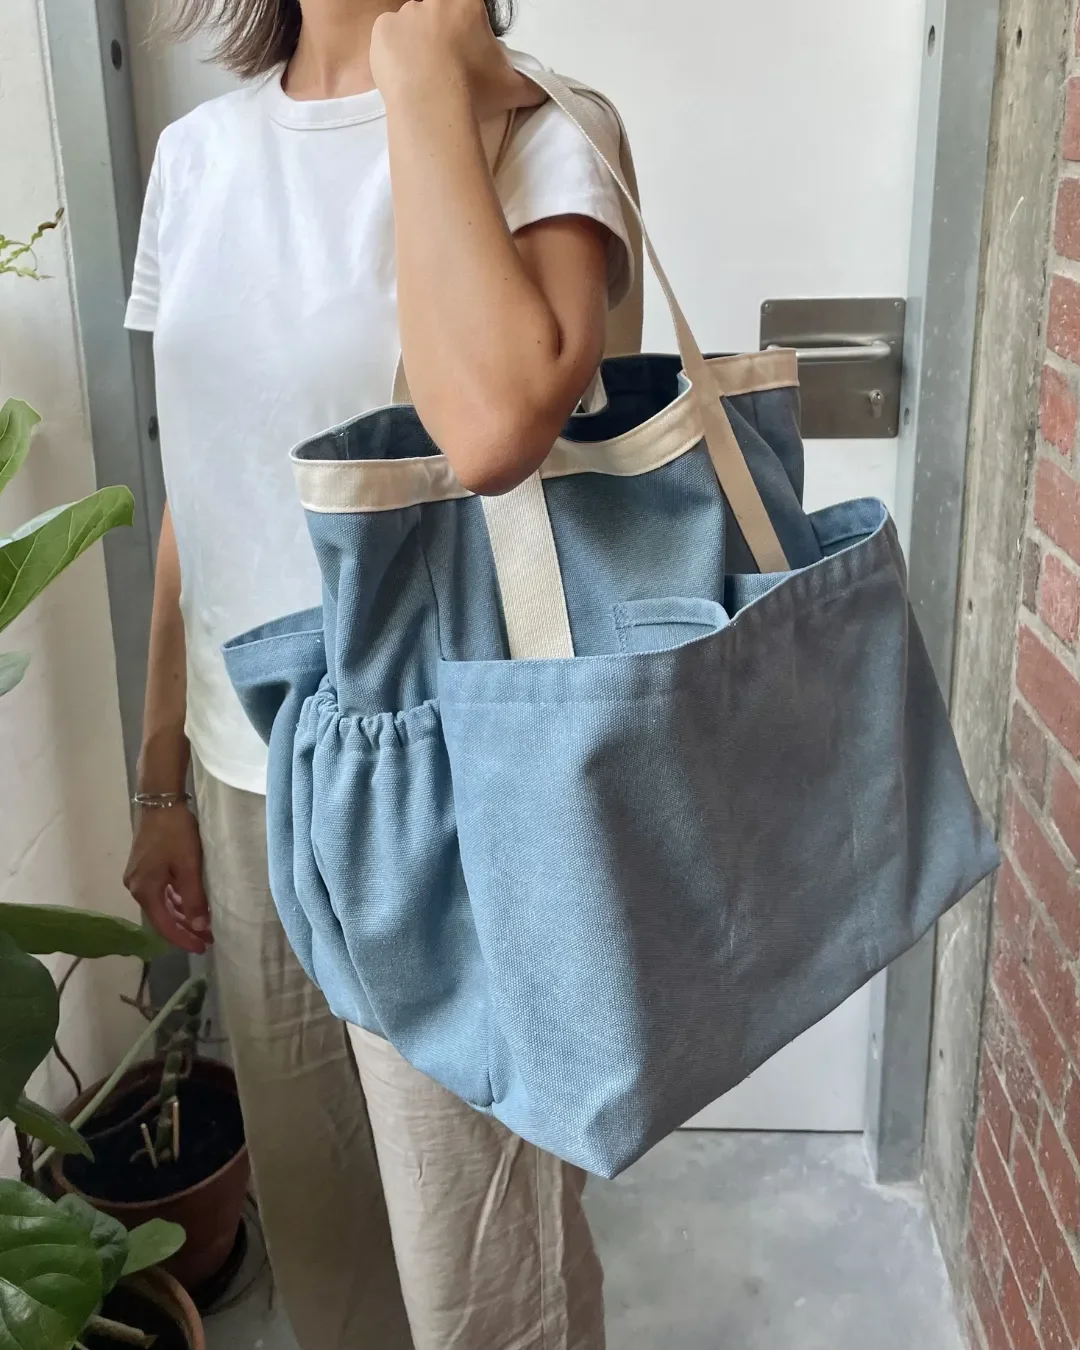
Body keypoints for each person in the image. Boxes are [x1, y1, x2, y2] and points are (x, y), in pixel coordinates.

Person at [121, 1, 633, 1346]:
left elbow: (496, 422)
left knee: (486, 1261)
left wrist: (420, 75)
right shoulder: (195, 157)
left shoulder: (542, 133)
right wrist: (159, 764)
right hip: (252, 777)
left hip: (450, 790)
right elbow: (205, 479)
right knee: (325, 1225)